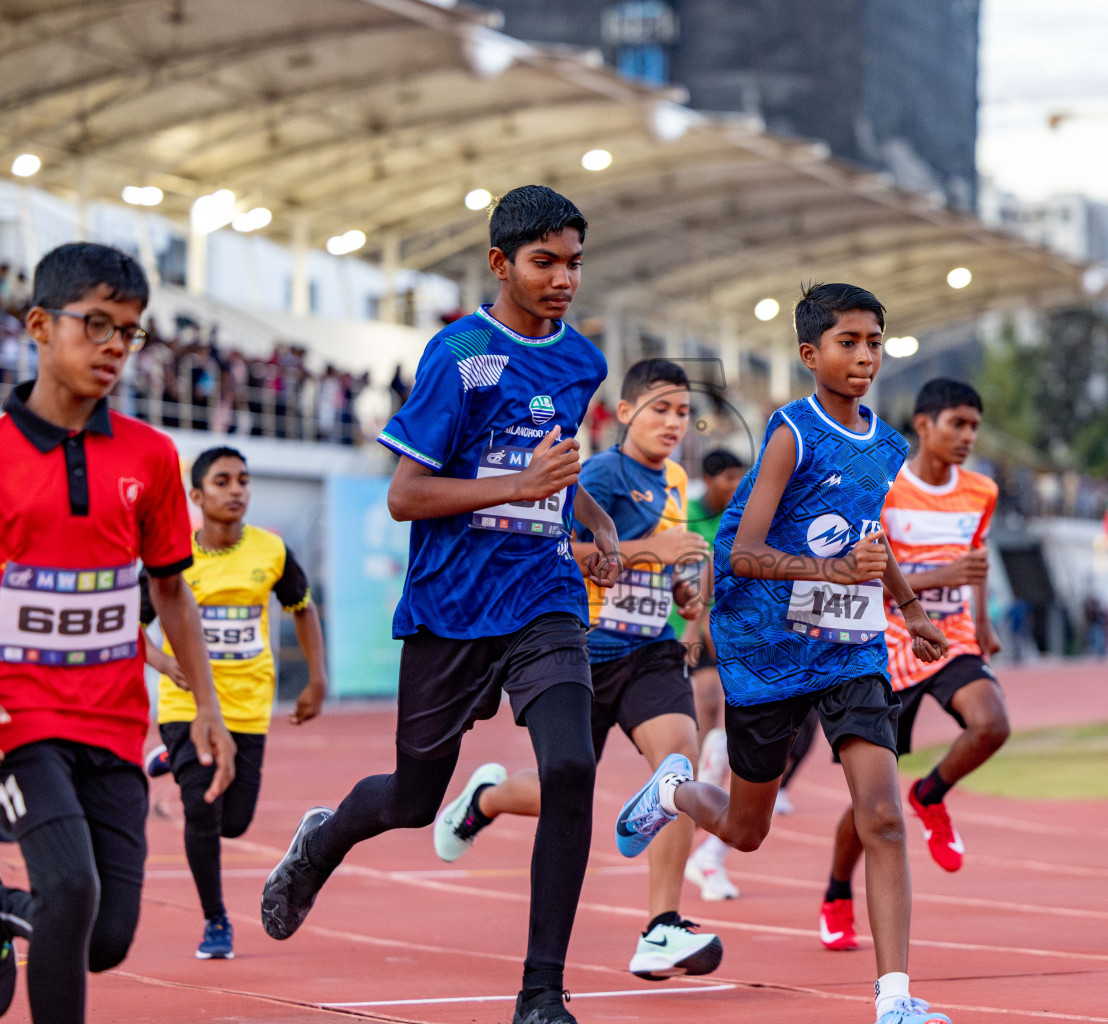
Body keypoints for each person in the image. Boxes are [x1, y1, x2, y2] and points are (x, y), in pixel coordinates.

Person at [259, 185, 621, 1024]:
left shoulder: (584, 362)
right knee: (413, 799)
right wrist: (519, 485)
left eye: (574, 262)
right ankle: (324, 840)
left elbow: (560, 469)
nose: (564, 278)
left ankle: (540, 996)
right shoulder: (459, 357)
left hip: (545, 595)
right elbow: (405, 495)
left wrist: (592, 517)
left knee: (571, 768)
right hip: (453, 607)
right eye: (544, 263)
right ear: (500, 264)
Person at [613, 282, 953, 1024]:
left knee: (883, 813)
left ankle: (894, 998)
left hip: (849, 645)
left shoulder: (889, 444)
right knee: (746, 830)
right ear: (811, 354)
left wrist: (911, 608)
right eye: (848, 342)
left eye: (874, 341)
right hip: (762, 644)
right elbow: (739, 551)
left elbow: (869, 539)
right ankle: (673, 791)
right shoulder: (792, 432)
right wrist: (832, 573)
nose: (865, 356)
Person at [0, 243, 236, 1024]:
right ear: (39, 325)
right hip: (16, 718)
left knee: (102, 938)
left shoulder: (153, 457)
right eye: (96, 325)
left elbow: (170, 590)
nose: (114, 347)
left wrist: (207, 703)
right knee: (70, 889)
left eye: (129, 333)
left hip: (114, 721)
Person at [436, 358, 723, 980]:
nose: (674, 423)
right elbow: (563, 546)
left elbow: (660, 563)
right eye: (660, 408)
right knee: (559, 790)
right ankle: (485, 799)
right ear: (625, 414)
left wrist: (681, 589)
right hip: (586, 651)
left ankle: (661, 927)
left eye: (682, 411)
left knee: (679, 764)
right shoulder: (599, 473)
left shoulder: (675, 479)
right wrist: (658, 551)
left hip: (649, 649)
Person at [819, 378, 1004, 952]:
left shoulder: (981, 491)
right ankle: (835, 891)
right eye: (957, 424)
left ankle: (932, 794)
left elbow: (975, 562)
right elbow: (870, 573)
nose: (967, 436)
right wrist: (937, 580)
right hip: (886, 647)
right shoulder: (889, 489)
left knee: (991, 723)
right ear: (924, 425)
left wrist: (982, 619)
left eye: (974, 426)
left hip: (947, 639)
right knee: (870, 802)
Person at [140, 446, 328, 959]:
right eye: (222, 481)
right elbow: (127, 622)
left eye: (243, 480)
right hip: (189, 706)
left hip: (249, 705)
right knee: (203, 811)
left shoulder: (271, 550)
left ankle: (169, 763)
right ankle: (215, 921)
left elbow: (302, 609)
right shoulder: (171, 552)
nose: (237, 489)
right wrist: (162, 662)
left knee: (234, 821)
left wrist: (317, 679)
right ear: (197, 496)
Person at [677, 449, 746, 901]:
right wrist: (693, 627)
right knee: (705, 700)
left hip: (741, 628)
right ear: (708, 479)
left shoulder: (744, 515)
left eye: (743, 479)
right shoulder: (685, 516)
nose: (736, 487)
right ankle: (702, 775)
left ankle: (722, 770)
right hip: (696, 625)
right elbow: (702, 575)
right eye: (728, 479)